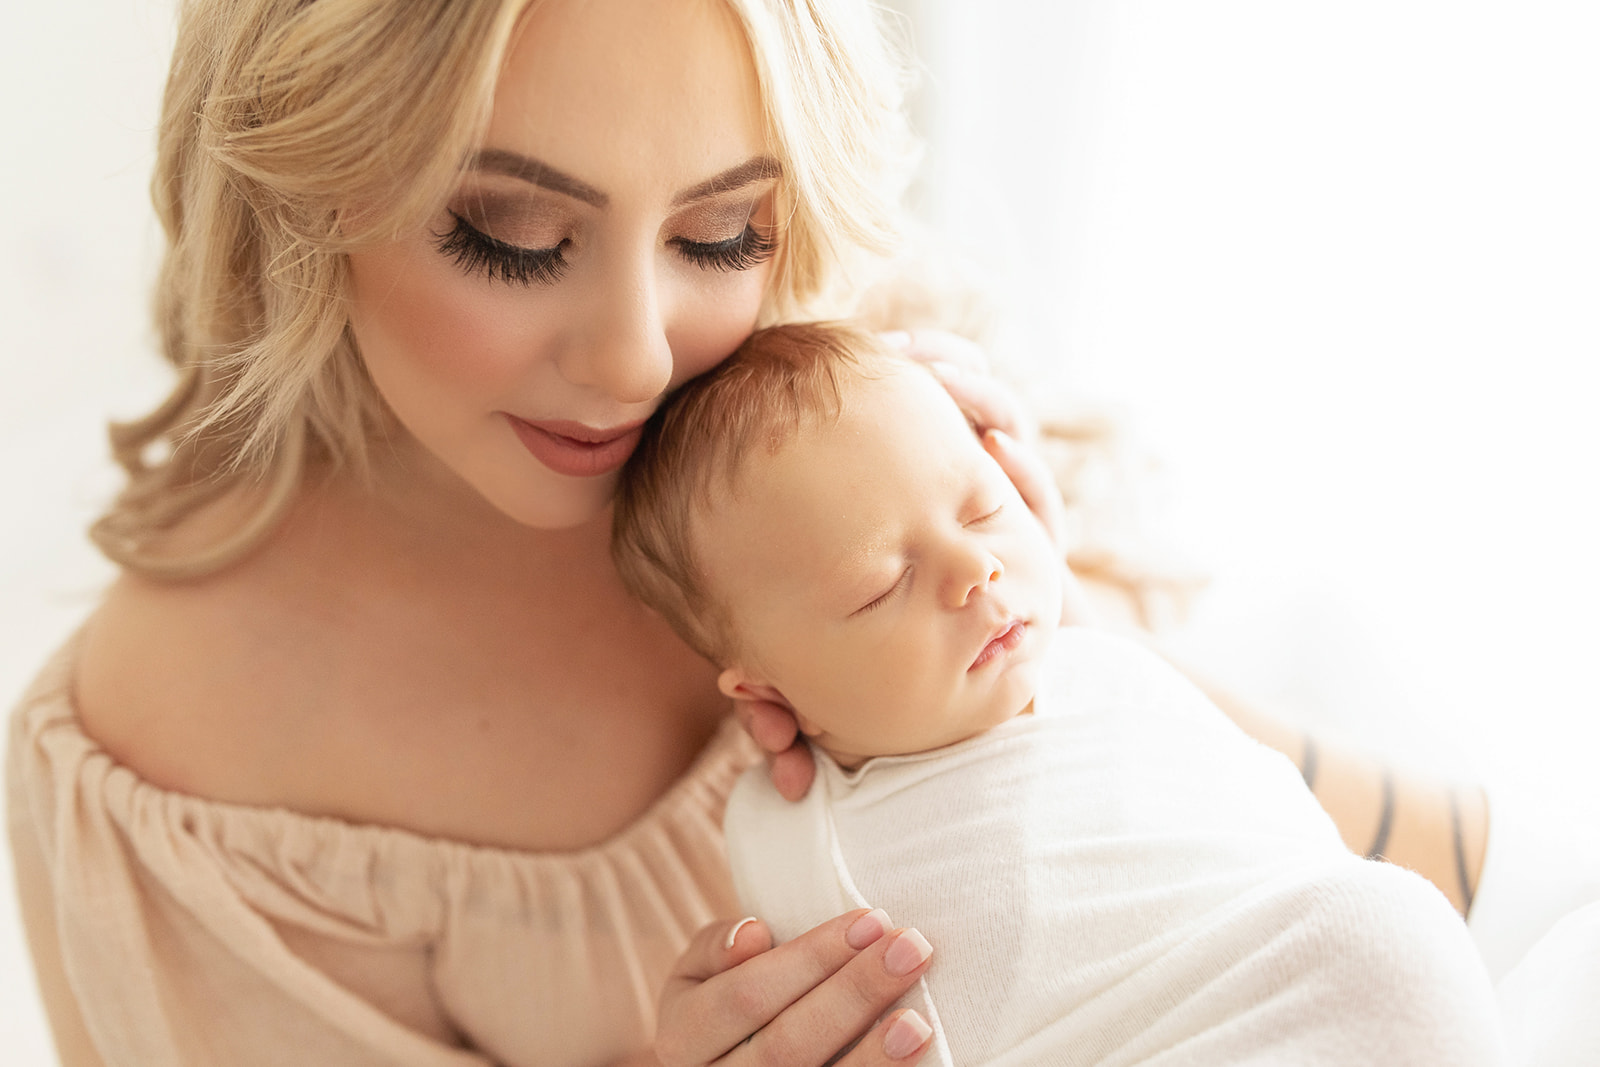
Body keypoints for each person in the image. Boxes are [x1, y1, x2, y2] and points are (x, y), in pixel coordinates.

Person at [2, 0, 1539, 1064]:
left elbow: (1434, 870)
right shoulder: (172, 772)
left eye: (718, 233)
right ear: (293, 185)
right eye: (512, 237)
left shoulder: (848, 413)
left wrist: (1047, 662)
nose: (634, 358)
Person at [612, 321, 1506, 1064]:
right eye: (881, 584)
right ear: (773, 693)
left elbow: (1270, 833)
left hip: (1306, 970)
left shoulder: (1103, 663)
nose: (977, 567)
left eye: (982, 507)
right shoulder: (793, 825)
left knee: (1388, 927)